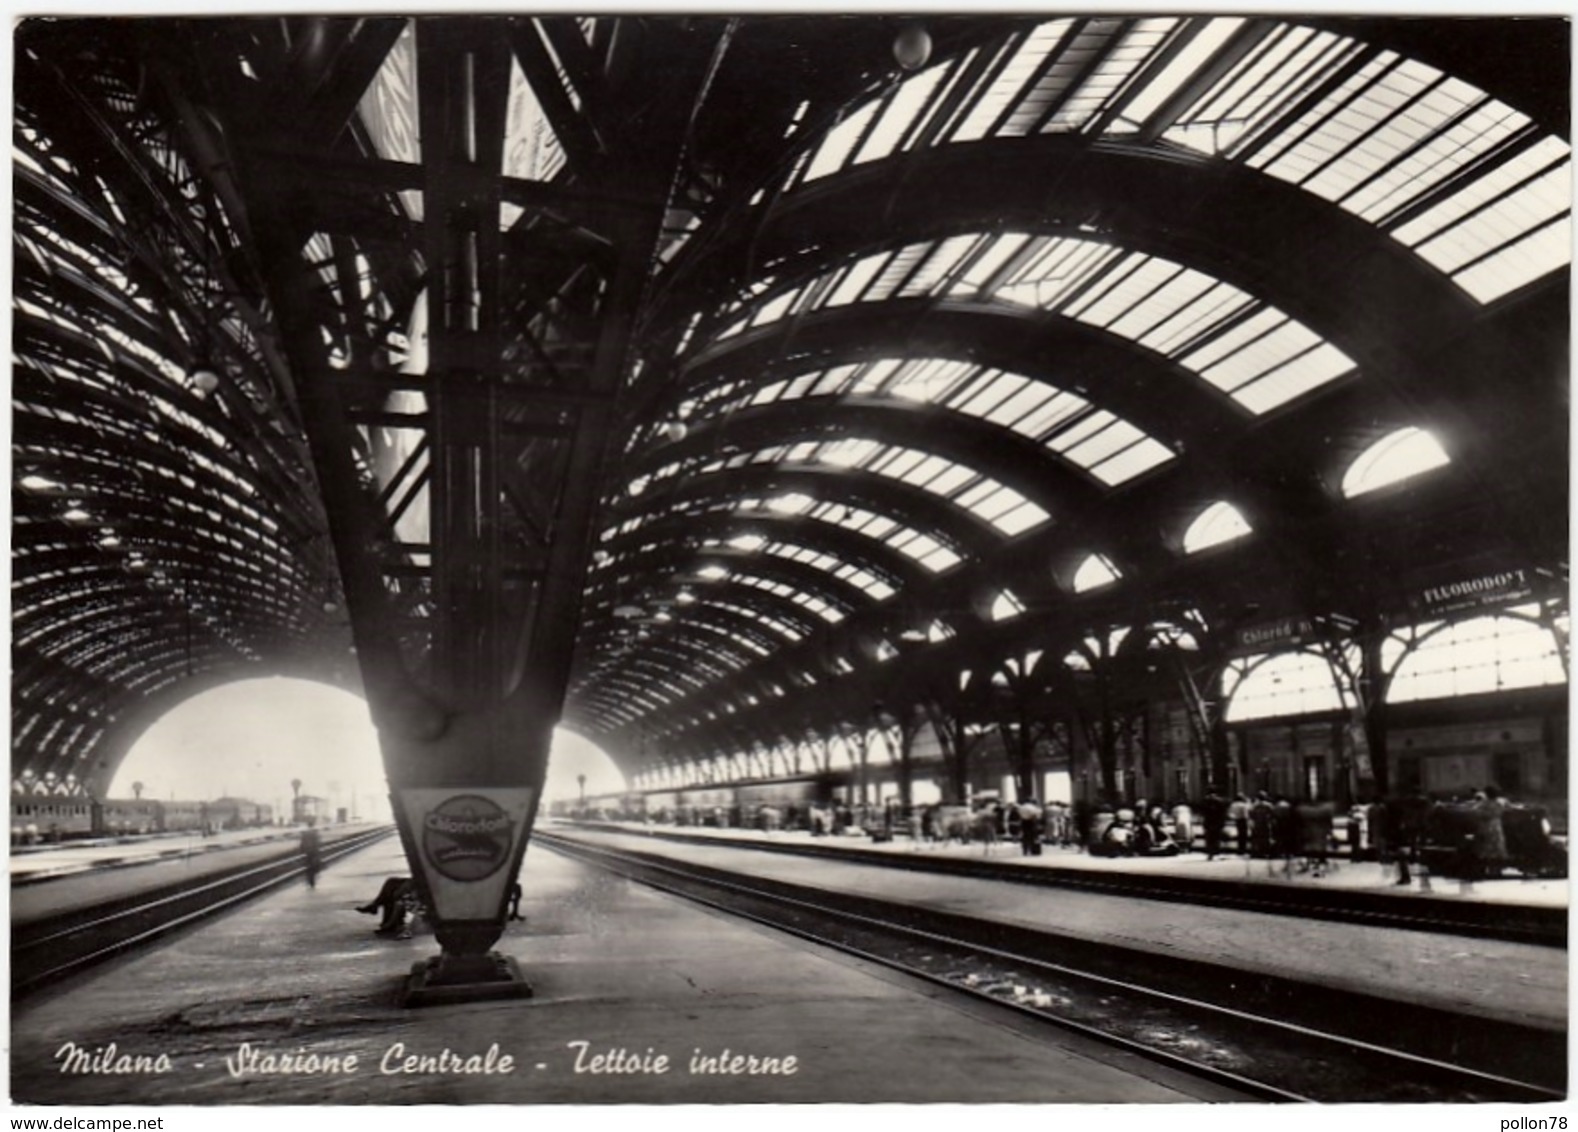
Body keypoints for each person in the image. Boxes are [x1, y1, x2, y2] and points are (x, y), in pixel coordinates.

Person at [1202, 789, 1228, 860]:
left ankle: (1210, 853)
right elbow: (1223, 813)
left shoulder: (1206, 801)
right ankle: (1216, 852)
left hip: (1209, 822)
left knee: (1210, 838)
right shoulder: (1220, 801)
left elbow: (1203, 813)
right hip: (1217, 822)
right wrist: (1222, 822)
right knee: (1216, 838)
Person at [299, 820, 322, 889]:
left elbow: (302, 843)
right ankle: (312, 881)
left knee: (308, 866)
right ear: (313, 825)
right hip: (314, 852)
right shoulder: (315, 833)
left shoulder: (304, 833)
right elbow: (318, 842)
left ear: (307, 825)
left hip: (307, 852)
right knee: (314, 865)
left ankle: (309, 880)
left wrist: (302, 851)